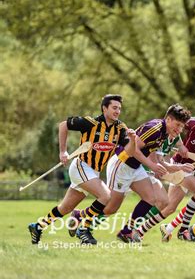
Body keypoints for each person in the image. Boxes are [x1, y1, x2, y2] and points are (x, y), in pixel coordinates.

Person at [69, 104, 192, 243]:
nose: (179, 129)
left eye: (182, 127)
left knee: (150, 198)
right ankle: (80, 218)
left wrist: (179, 167)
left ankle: (127, 232)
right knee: (111, 208)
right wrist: (152, 165)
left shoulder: (165, 133)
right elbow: (132, 149)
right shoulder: (155, 128)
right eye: (178, 125)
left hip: (135, 167)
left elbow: (158, 159)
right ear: (169, 119)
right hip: (122, 164)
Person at [28, 94, 135, 245]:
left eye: (119, 108)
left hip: (94, 172)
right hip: (81, 166)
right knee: (106, 196)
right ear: (105, 108)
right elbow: (63, 125)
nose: (117, 111)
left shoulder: (120, 128)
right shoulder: (90, 123)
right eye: (114, 108)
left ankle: (37, 227)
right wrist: (63, 151)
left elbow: (129, 152)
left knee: (65, 208)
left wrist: (133, 140)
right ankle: (83, 229)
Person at [138, 104, 195, 241]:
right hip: (178, 165)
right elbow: (174, 127)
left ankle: (139, 230)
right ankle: (183, 231)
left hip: (192, 169)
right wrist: (180, 146)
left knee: (170, 207)